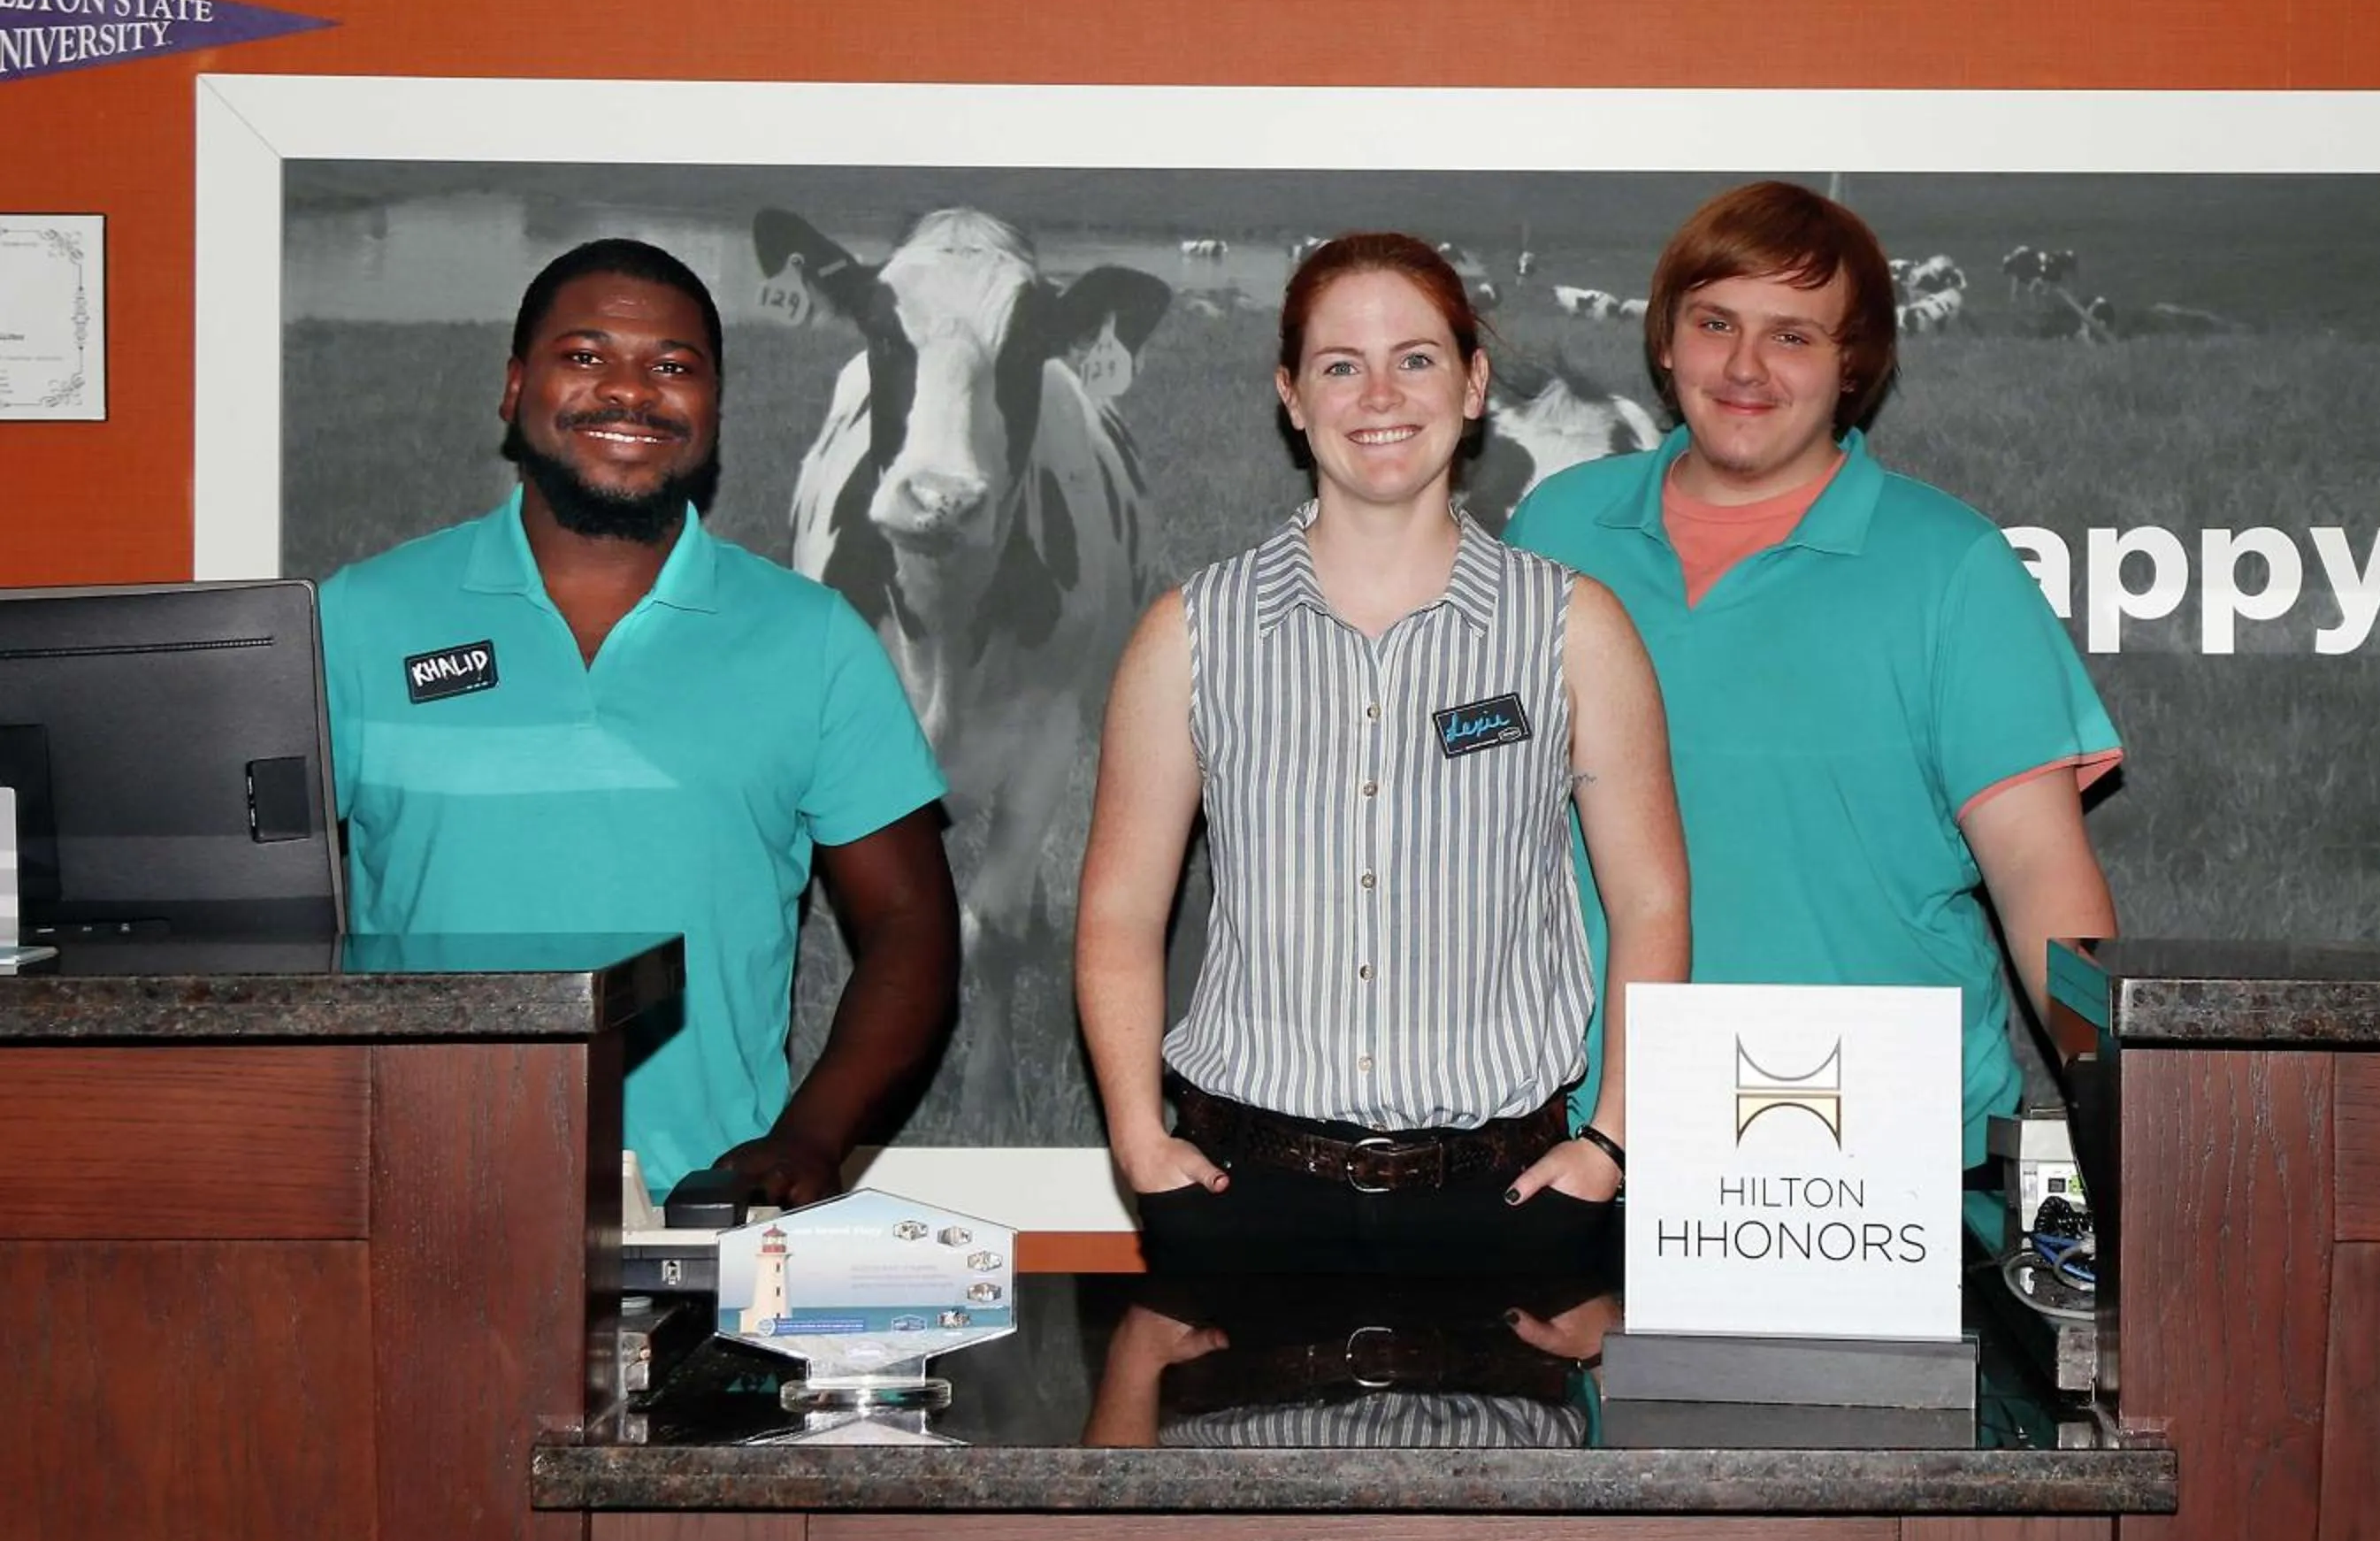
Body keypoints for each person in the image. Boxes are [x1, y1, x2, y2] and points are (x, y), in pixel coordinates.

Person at [1075, 233, 1688, 1271]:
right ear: (1291, 395)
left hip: (1512, 1200)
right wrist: (1140, 1138)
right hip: (1240, 1194)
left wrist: (1611, 1144)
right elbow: (1122, 911)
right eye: (1339, 366)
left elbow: (1650, 903)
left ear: (1475, 382)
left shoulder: (1574, 629)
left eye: (1415, 358)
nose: (1380, 396)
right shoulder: (1190, 633)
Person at [1504, 181, 2121, 1189]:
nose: (1744, 367)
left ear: (1854, 367)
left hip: (1884, 1153)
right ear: (1666, 343)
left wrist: (2125, 1134)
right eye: (1715, 324)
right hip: (1586, 1140)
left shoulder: (1951, 565)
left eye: (1792, 337)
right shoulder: (1555, 530)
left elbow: (2042, 884)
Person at [319, 238, 958, 1205]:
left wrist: (810, 1138)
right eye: (585, 357)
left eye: (673, 367)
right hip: (404, 1203)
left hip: (698, 1221)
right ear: (513, 387)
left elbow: (910, 922)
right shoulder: (358, 620)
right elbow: (250, 912)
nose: (631, 391)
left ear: (713, 408)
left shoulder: (809, 638)